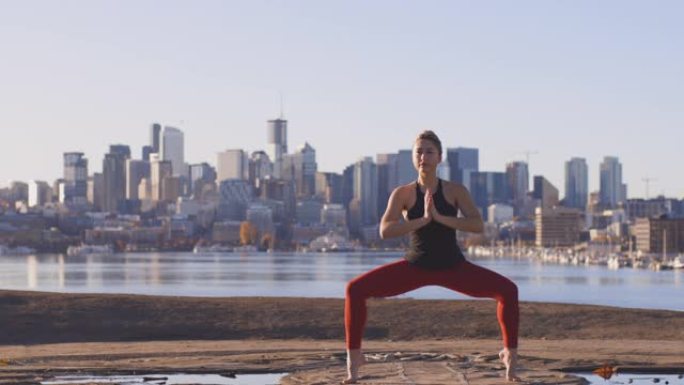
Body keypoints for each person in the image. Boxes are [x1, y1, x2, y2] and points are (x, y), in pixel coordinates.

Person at [343, 131, 520, 384]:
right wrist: (422, 220)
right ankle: (354, 359)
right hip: (416, 266)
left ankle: (510, 357)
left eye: (429, 151)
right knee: (354, 289)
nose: (423, 156)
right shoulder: (403, 193)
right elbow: (385, 230)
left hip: (453, 267)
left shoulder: (455, 190)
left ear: (439, 157)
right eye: (418, 152)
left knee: (508, 291)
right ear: (413, 159)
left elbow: (477, 225)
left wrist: (439, 217)